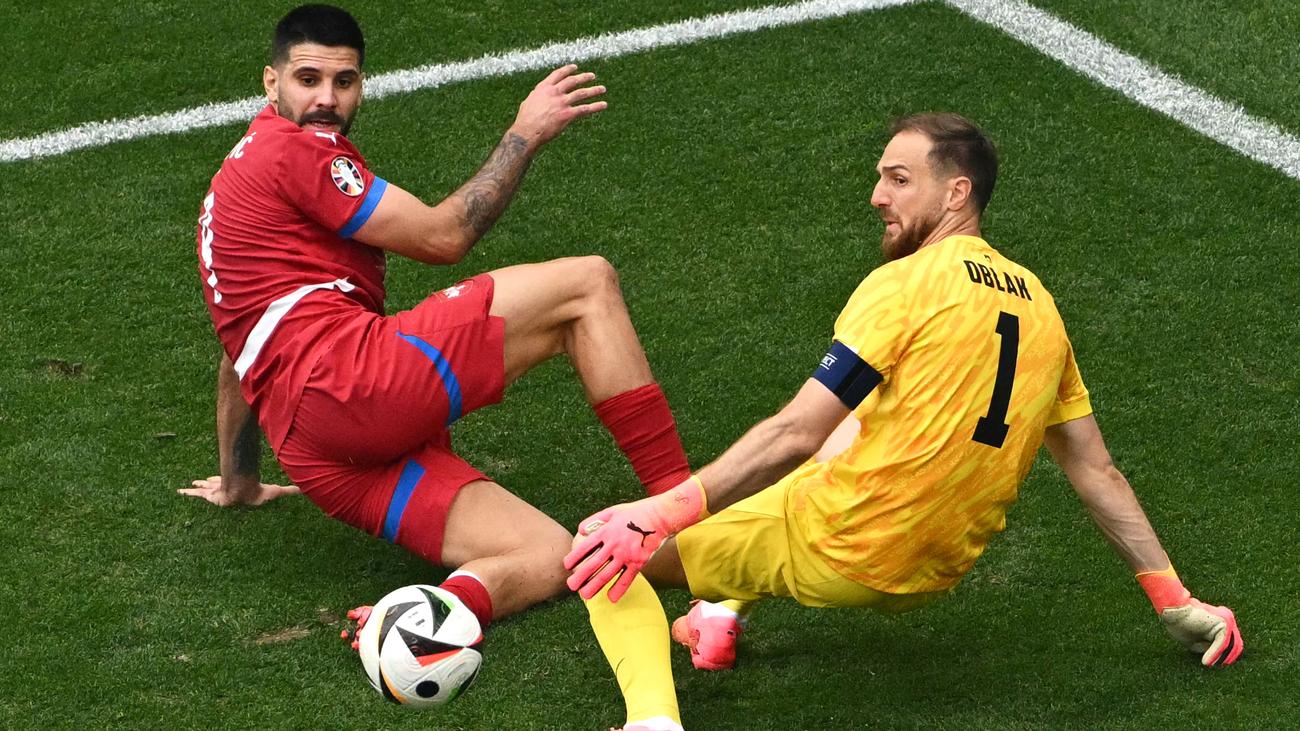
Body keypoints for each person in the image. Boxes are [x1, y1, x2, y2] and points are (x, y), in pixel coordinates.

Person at [563, 113, 1243, 731]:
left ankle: (652, 722)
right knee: (859, 419)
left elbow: (795, 432)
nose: (876, 196)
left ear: (956, 193)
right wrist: (1173, 597)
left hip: (847, 545)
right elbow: (1095, 469)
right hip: (937, 567)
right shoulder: (1041, 306)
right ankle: (719, 612)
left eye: (898, 179)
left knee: (602, 547)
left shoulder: (904, 285)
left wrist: (659, 512)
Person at [180, 4, 694, 652]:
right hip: (352, 386)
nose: (327, 99)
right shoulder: (297, 154)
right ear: (271, 81)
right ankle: (687, 521)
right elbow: (444, 236)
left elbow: (239, 352)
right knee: (587, 285)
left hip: (317, 454)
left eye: (344, 82)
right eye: (308, 80)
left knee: (547, 551)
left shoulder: (234, 179)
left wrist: (239, 483)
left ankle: (415, 618)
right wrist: (526, 132)